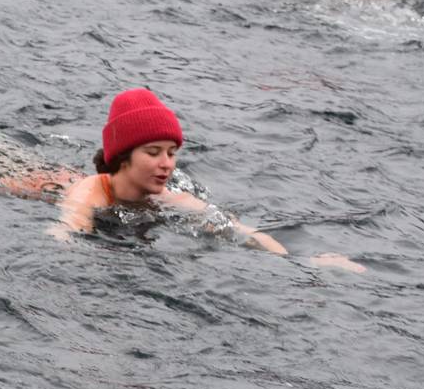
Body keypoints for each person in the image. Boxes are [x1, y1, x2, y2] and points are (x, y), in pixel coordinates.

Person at [49, 89, 365, 272]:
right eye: (153, 152)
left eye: (172, 153)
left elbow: (241, 233)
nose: (166, 164)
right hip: (41, 184)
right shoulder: (90, 190)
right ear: (122, 156)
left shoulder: (173, 199)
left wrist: (305, 263)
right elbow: (69, 225)